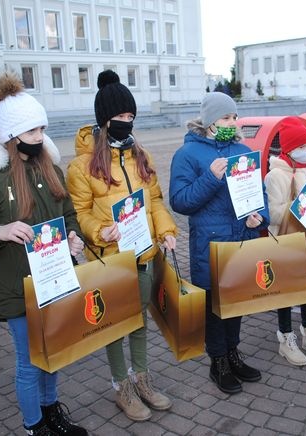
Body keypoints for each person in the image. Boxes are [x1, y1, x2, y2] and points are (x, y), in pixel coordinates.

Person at [0, 70, 88, 436]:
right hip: (19, 288)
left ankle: (51, 413)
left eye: (42, 130)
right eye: (33, 132)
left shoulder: (50, 167)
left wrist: (73, 237)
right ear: (12, 135)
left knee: (54, 354)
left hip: (56, 279)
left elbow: (68, 215)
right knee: (31, 362)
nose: (40, 138)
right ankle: (35, 425)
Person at [66, 70, 177, 422]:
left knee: (140, 321)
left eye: (131, 117)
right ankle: (121, 388)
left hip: (142, 255)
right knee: (115, 325)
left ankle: (141, 379)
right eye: (120, 117)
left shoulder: (139, 155)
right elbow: (80, 212)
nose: (126, 123)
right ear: (104, 120)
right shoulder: (82, 166)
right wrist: (101, 231)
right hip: (109, 260)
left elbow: (155, 199)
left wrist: (166, 230)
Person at [169, 92, 269, 395]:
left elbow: (258, 195)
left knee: (235, 301)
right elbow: (180, 201)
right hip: (211, 244)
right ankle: (219, 362)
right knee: (214, 307)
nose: (232, 122)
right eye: (226, 117)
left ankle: (233, 353)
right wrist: (211, 178)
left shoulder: (242, 150)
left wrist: (259, 218)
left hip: (242, 239)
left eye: (234, 117)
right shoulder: (187, 154)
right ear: (210, 120)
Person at [264, 116, 306, 366]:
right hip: (285, 240)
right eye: (301, 146)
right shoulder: (276, 176)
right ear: (289, 149)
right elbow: (271, 213)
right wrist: (299, 207)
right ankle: (286, 338)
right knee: (286, 290)